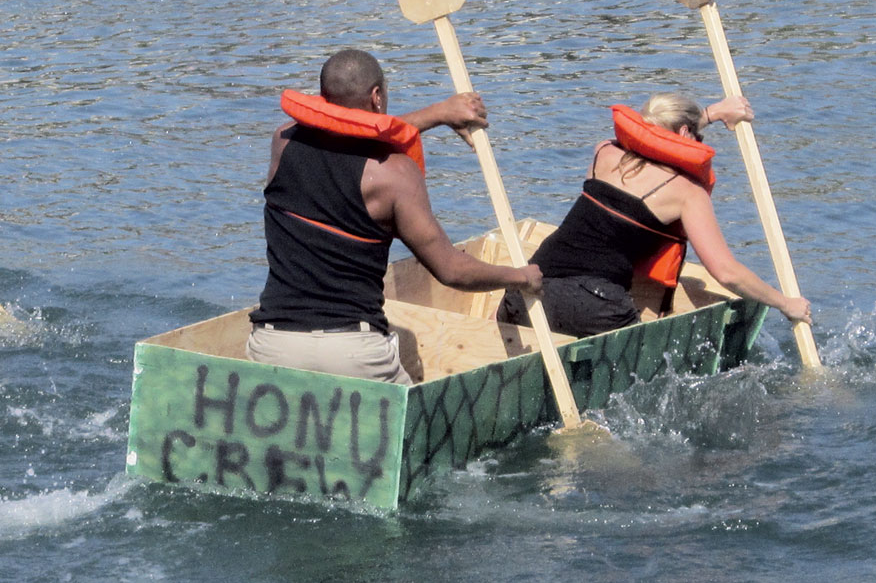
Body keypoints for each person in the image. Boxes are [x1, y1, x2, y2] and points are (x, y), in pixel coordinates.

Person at [247, 49, 542, 385]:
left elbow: (349, 132)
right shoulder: (396, 176)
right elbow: (452, 271)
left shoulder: (282, 142)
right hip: (353, 352)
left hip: (271, 342)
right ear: (377, 97)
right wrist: (521, 277)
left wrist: (439, 114)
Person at [497, 92, 812, 337]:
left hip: (524, 289)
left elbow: (659, 137)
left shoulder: (603, 152)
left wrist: (712, 113)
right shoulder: (687, 193)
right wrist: (786, 304)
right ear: (687, 134)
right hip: (593, 304)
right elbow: (726, 272)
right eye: (697, 138)